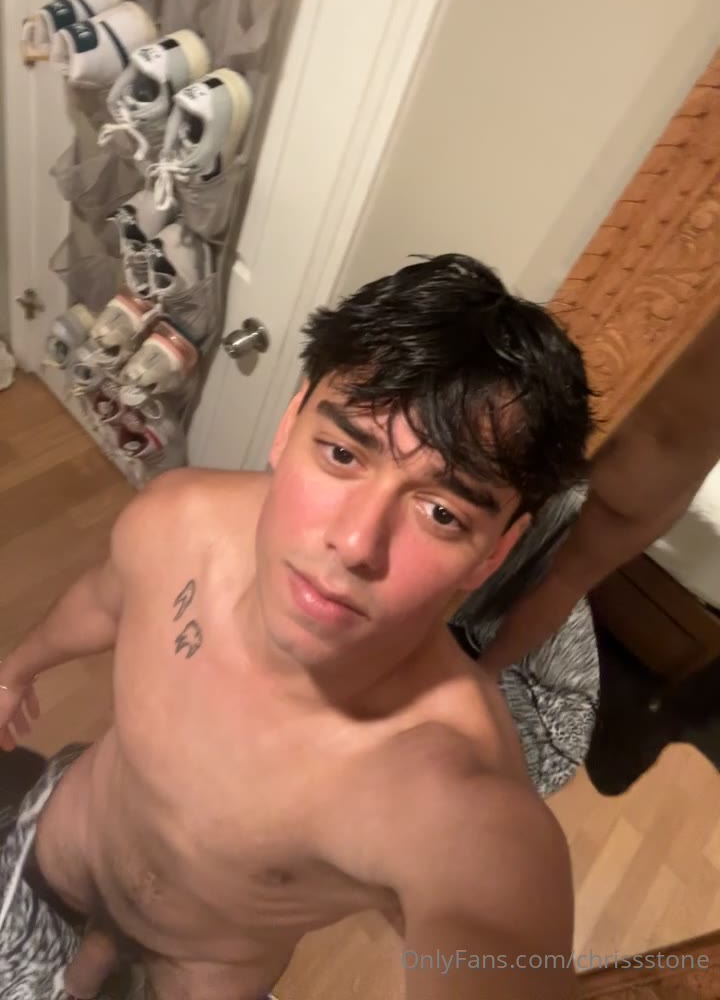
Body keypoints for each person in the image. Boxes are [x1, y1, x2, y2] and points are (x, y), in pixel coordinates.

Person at [0, 253, 592, 1000]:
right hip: (50, 866)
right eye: (343, 453)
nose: (355, 542)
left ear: (494, 552)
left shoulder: (449, 787)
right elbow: (104, 599)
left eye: (442, 512)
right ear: (288, 427)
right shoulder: (175, 522)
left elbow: (497, 932)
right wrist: (15, 670)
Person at [481, 310, 720, 675]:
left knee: (483, 514)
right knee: (563, 584)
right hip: (660, 463)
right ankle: (483, 673)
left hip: (598, 395)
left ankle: (411, 631)